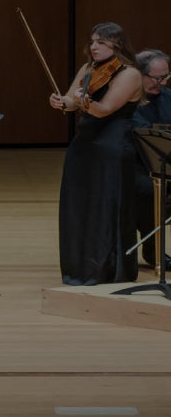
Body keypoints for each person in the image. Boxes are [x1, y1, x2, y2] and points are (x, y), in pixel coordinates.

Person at [49, 22, 143, 286]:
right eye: (92, 41)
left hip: (112, 146)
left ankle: (108, 270)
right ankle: (80, 268)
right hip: (85, 144)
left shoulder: (130, 74)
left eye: (101, 42)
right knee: (79, 204)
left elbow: (105, 109)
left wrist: (82, 102)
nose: (94, 47)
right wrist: (61, 102)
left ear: (118, 44)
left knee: (107, 205)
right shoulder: (88, 68)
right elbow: (71, 100)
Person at [132, 49, 171, 269]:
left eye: (166, 77)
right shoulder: (128, 99)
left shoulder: (168, 97)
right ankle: (153, 250)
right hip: (134, 164)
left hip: (165, 163)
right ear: (139, 74)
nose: (163, 83)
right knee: (149, 189)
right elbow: (141, 132)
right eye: (157, 78)